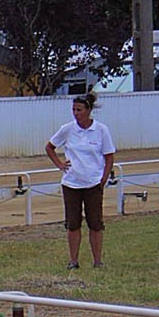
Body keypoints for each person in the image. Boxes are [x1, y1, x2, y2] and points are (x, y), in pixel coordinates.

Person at [44, 93, 116, 270]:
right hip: (71, 184)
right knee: (73, 223)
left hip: (93, 184)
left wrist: (104, 178)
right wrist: (60, 164)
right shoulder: (68, 129)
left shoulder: (101, 130)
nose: (76, 113)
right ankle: (73, 260)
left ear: (89, 110)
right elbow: (50, 147)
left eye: (79, 110)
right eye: (73, 110)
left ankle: (97, 261)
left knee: (95, 223)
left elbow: (109, 156)